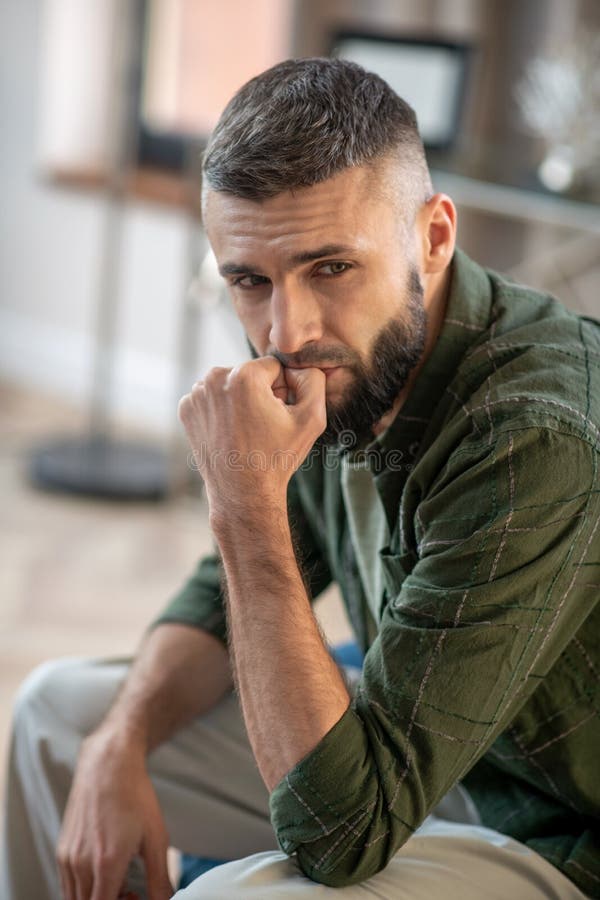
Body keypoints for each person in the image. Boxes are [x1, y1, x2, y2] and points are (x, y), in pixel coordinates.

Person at [2, 57, 598, 900]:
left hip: (555, 823)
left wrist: (243, 507)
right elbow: (223, 599)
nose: (287, 331)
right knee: (59, 720)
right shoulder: (342, 366)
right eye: (250, 281)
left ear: (433, 235)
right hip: (431, 743)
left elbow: (342, 835)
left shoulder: (530, 438)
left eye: (331, 268)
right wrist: (120, 740)